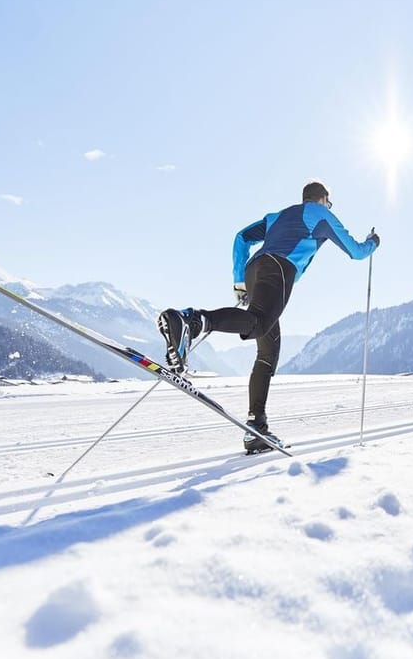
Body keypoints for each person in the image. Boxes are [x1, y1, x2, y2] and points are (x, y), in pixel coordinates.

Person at [157, 181, 380, 454]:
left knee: (268, 351)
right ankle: (190, 321)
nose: (329, 207)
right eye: (329, 203)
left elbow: (242, 237)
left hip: (255, 269)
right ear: (322, 199)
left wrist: (240, 281)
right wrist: (373, 242)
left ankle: (256, 429)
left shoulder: (276, 217)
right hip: (279, 269)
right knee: (260, 322)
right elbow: (356, 251)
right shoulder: (321, 214)